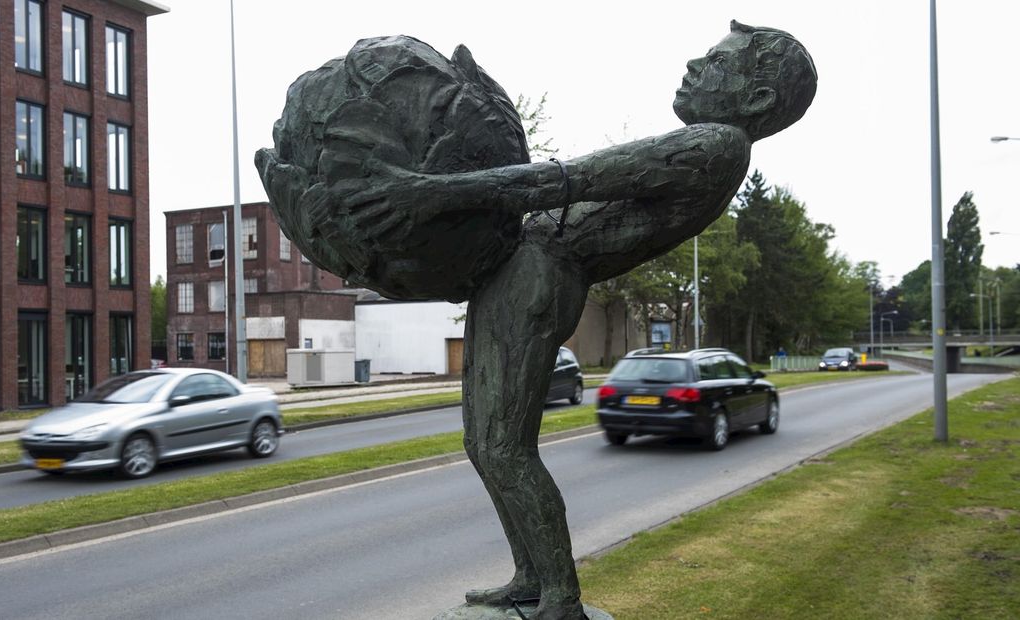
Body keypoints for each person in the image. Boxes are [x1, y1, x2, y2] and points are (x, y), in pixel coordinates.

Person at [258, 21, 816, 620]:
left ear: (755, 99)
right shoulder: (715, 145)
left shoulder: (717, 145)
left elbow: (561, 181)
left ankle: (560, 598)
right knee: (486, 445)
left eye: (715, 60)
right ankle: (531, 576)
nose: (695, 64)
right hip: (523, 266)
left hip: (542, 274)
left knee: (505, 449)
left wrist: (429, 194)